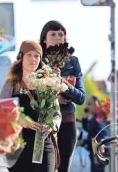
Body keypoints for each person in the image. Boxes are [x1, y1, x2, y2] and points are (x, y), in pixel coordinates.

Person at [0, 40, 62, 172]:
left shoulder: (48, 82)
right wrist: (18, 119)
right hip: (19, 146)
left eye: (36, 56)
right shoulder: (11, 85)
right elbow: (1, 111)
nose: (33, 59)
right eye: (29, 55)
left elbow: (57, 114)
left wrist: (52, 125)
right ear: (21, 57)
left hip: (44, 144)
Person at [39, 20, 86, 172]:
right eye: (53, 34)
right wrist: (52, 99)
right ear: (44, 39)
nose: (58, 37)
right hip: (41, 125)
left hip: (66, 124)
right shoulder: (34, 60)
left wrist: (64, 85)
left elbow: (81, 97)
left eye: (61, 34)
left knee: (62, 168)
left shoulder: (73, 62)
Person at [82, 96, 108, 172]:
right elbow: (89, 130)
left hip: (98, 154)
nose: (87, 106)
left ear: (97, 104)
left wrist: (83, 142)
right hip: (96, 154)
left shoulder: (98, 119)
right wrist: (84, 118)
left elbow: (101, 136)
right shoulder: (96, 118)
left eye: (89, 104)